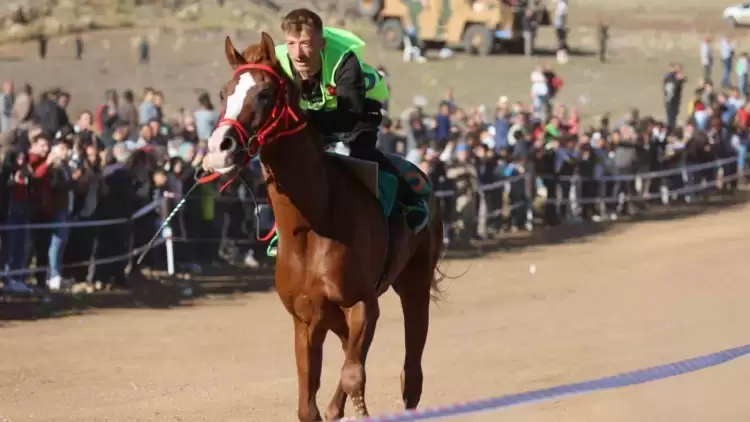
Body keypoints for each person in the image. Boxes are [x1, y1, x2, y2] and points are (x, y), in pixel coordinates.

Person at [274, 8, 428, 232]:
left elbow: (348, 115)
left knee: (359, 152)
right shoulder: (278, 61)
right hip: (316, 110)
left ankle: (410, 201)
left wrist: (306, 123)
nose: (298, 54)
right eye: (291, 44)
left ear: (322, 43)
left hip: (359, 107)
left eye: (306, 43)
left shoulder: (344, 59)